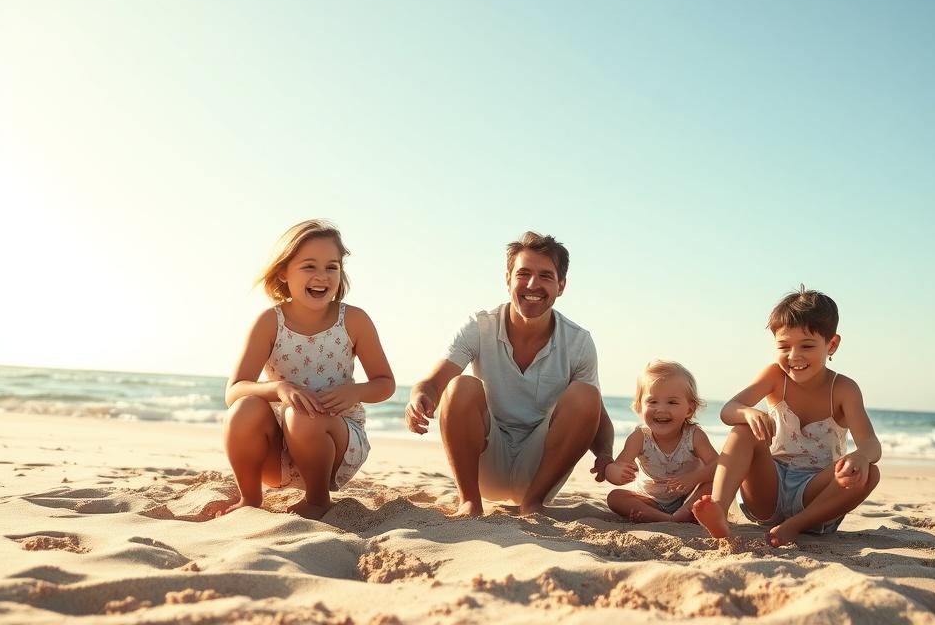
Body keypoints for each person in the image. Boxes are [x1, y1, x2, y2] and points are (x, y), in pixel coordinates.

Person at [404, 231, 614, 516]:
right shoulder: (479, 327)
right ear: (508, 279)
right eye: (523, 273)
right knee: (460, 386)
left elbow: (595, 412)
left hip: (541, 471)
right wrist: (419, 398)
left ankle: (532, 505)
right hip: (487, 460)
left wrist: (604, 455)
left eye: (545, 276)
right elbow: (432, 383)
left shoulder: (578, 341)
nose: (532, 284)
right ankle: (470, 503)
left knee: (586, 394)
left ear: (561, 285)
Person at [221, 220, 395, 520]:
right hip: (279, 452)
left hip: (336, 443)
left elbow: (385, 383)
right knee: (244, 409)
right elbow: (234, 391)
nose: (322, 277)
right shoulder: (268, 322)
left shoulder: (353, 320)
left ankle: (317, 499)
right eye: (309, 266)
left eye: (332, 267)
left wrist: (354, 391)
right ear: (283, 273)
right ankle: (250, 498)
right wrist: (278, 389)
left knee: (303, 414)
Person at [692, 287, 881, 546]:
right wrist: (747, 412)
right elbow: (728, 410)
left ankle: (794, 526)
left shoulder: (844, 389)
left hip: (817, 496)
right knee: (742, 429)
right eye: (784, 346)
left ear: (832, 345)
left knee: (870, 472)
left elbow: (871, 444)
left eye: (807, 345)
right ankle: (719, 511)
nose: (794, 356)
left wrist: (859, 456)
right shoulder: (774, 376)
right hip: (769, 489)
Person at [605, 360, 718, 523]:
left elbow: (719, 465)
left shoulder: (694, 435)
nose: (661, 409)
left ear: (689, 409)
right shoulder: (639, 437)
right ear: (639, 406)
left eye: (672, 402)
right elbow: (617, 467)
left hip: (689, 498)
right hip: (651, 501)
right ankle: (667, 518)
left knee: (713, 485)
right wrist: (616, 473)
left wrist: (694, 478)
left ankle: (683, 513)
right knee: (615, 497)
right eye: (652, 402)